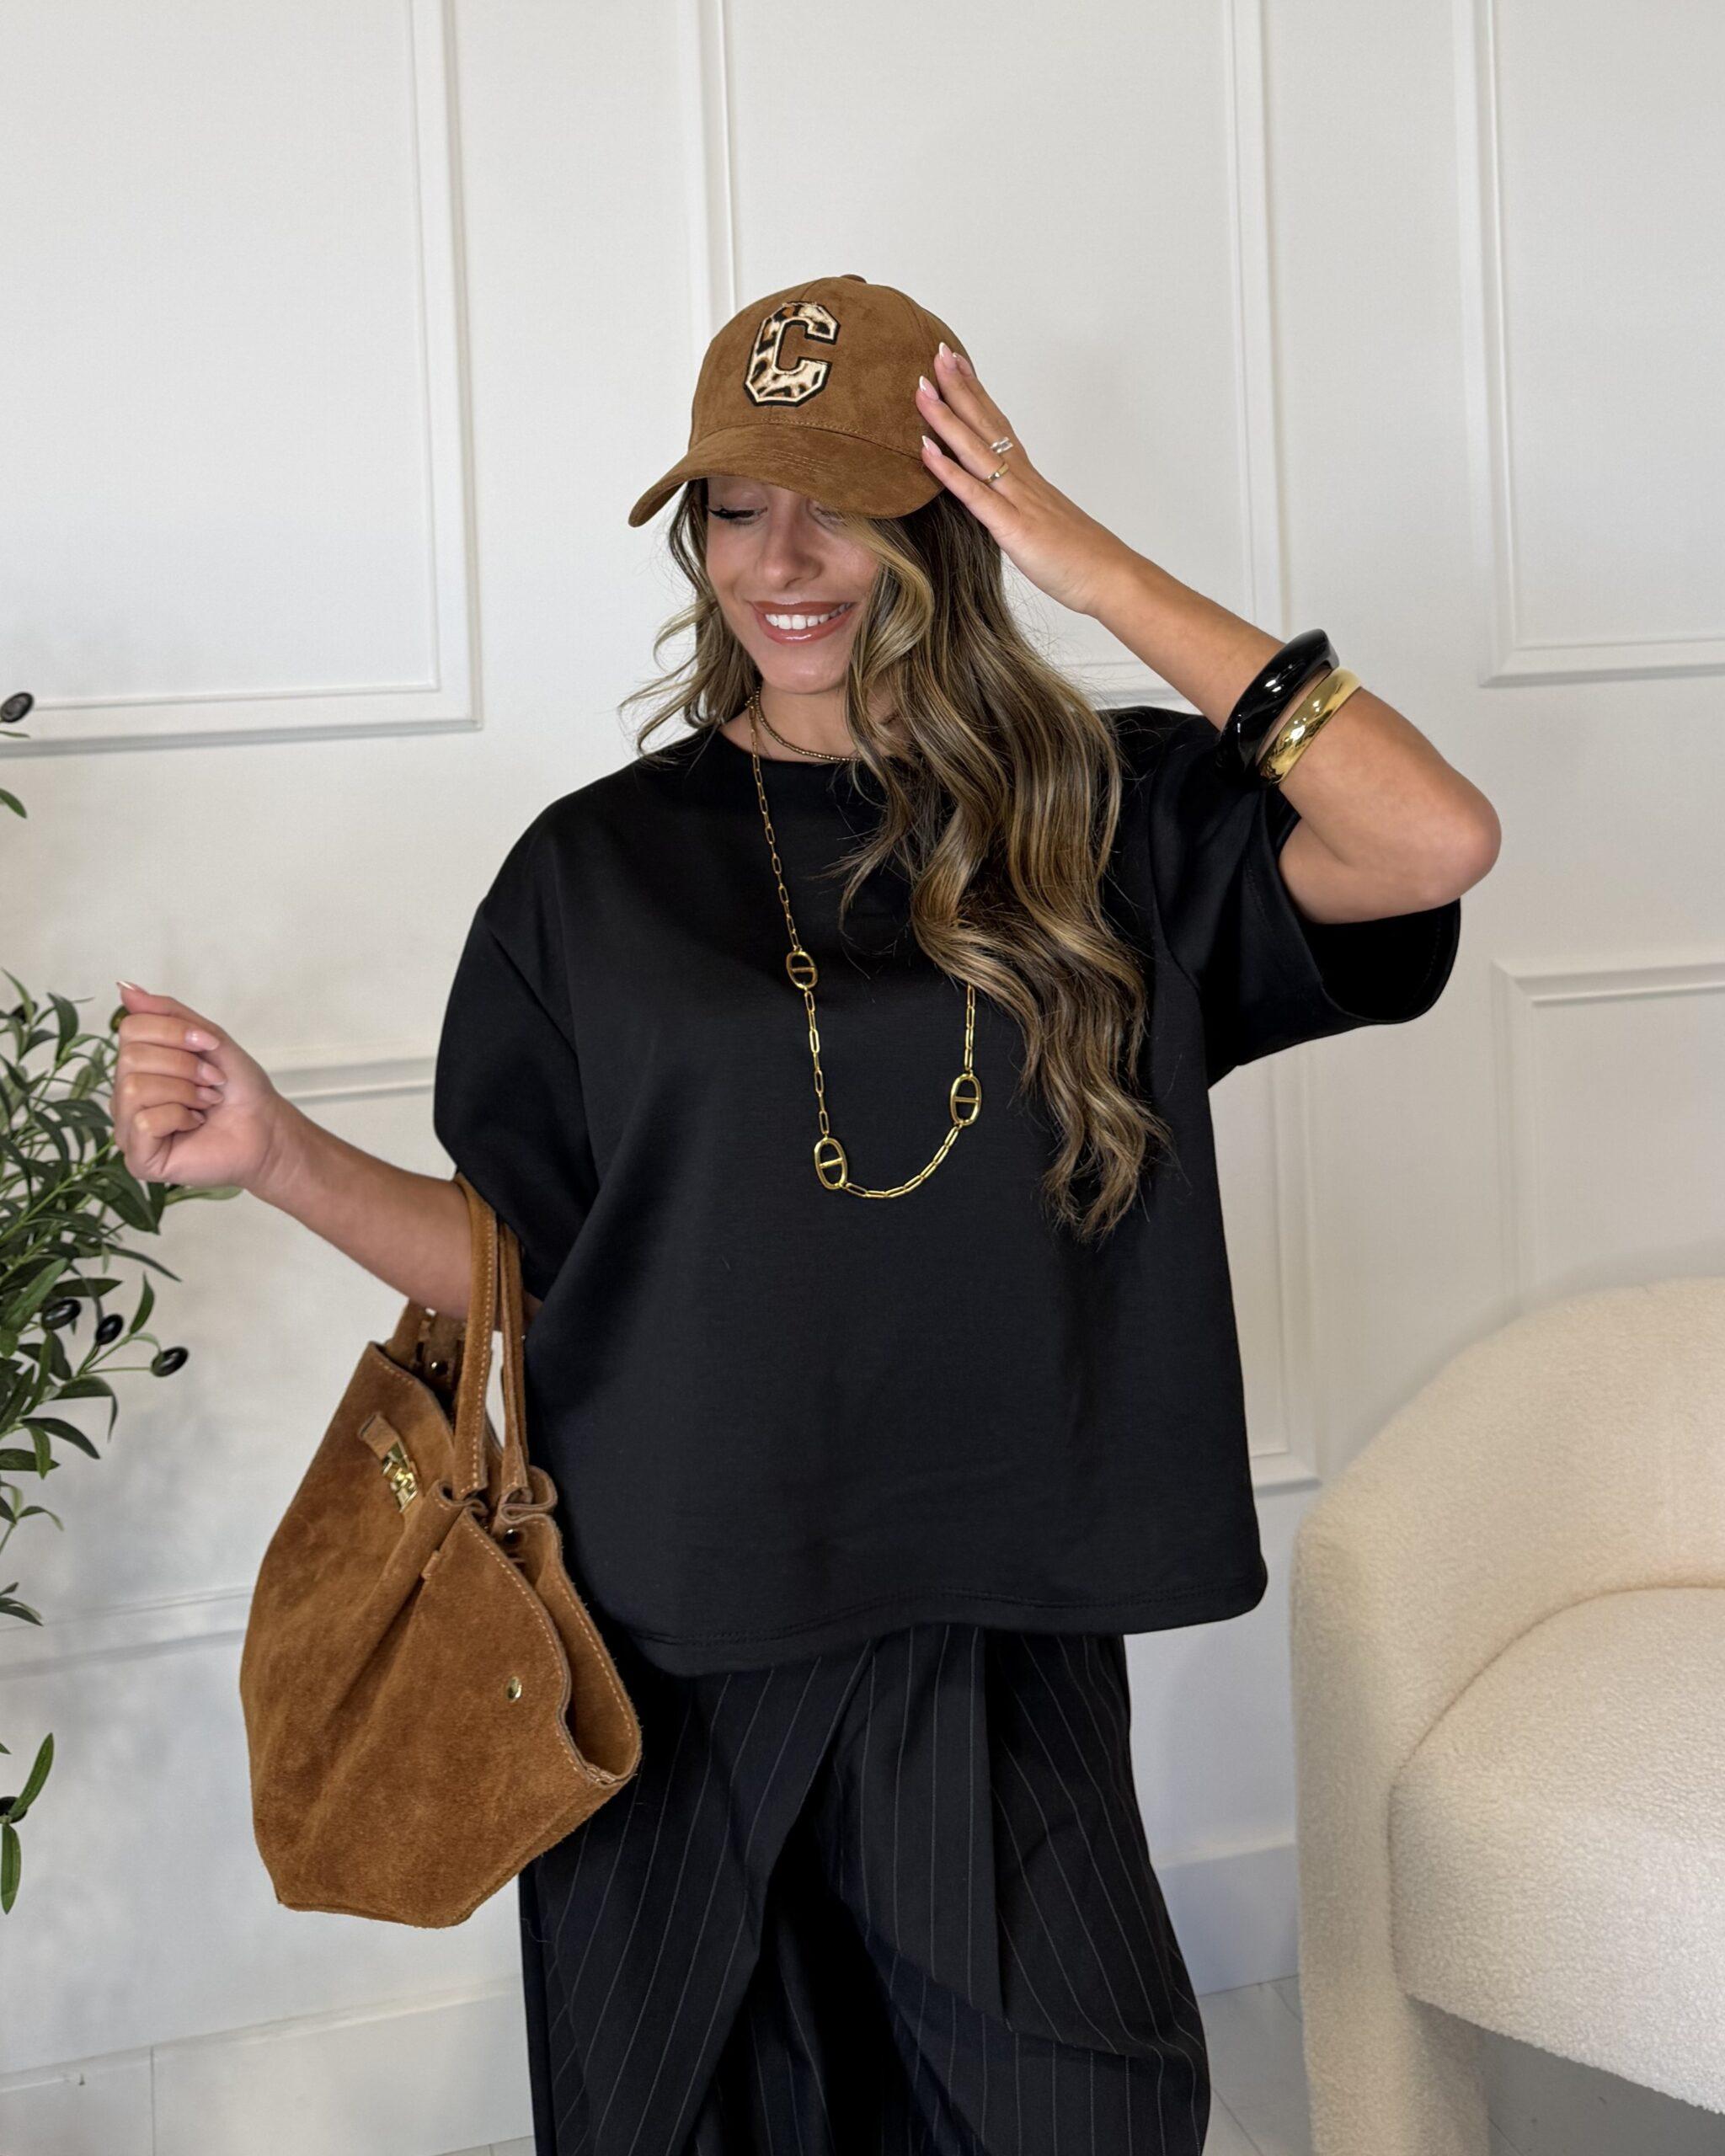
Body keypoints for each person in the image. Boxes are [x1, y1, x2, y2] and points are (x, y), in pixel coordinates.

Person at [110, 273, 1498, 2155]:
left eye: (843, 501)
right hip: (672, 1637)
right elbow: (544, 1278)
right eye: (737, 505)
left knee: (1076, 2111)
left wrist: (1092, 566)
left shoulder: (1104, 817)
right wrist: (278, 1154)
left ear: (949, 521)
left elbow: (1430, 839)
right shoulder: (592, 873)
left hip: (1001, 1623)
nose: (784, 560)